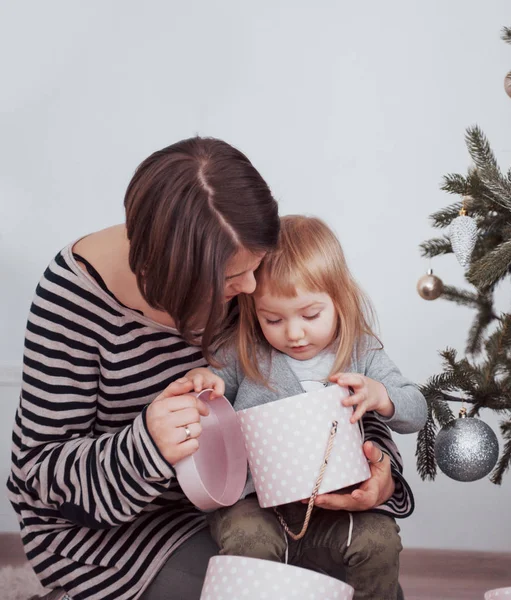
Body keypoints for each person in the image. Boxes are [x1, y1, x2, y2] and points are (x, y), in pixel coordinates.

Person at [6, 139, 412, 600]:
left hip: (247, 506)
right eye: (231, 279)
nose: (252, 288)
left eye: (256, 266)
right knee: (261, 591)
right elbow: (39, 475)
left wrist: (377, 468)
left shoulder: (237, 258)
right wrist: (146, 444)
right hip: (116, 533)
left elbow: (328, 374)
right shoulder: (72, 303)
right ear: (174, 270)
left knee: (362, 580)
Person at [183, 215, 428, 600]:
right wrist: (205, 382)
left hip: (337, 504)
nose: (294, 334)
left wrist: (381, 395)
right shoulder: (244, 351)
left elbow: (416, 411)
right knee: (248, 543)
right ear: (253, 310)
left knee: (379, 542)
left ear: (339, 300)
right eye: (273, 319)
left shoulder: (360, 351)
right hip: (256, 505)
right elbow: (211, 391)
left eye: (310, 315)